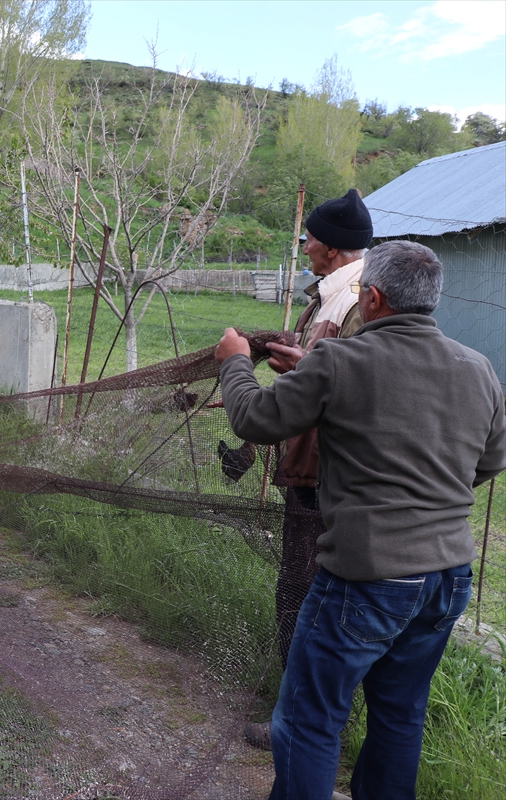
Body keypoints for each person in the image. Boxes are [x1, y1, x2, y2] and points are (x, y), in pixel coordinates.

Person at [214, 240, 506, 800]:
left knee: (309, 717)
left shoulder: (341, 363)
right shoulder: (479, 368)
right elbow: (490, 460)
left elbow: (254, 418)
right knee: (399, 716)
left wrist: (232, 360)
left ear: (372, 297)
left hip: (367, 577)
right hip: (447, 577)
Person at [238, 190, 373, 751]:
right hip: (310, 469)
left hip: (324, 477)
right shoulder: (331, 298)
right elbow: (330, 375)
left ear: (336, 248)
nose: (303, 245)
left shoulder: (358, 303)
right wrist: (301, 357)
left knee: (306, 598)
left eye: (310, 237)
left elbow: (355, 393)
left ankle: (301, 726)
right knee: (298, 591)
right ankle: (300, 715)